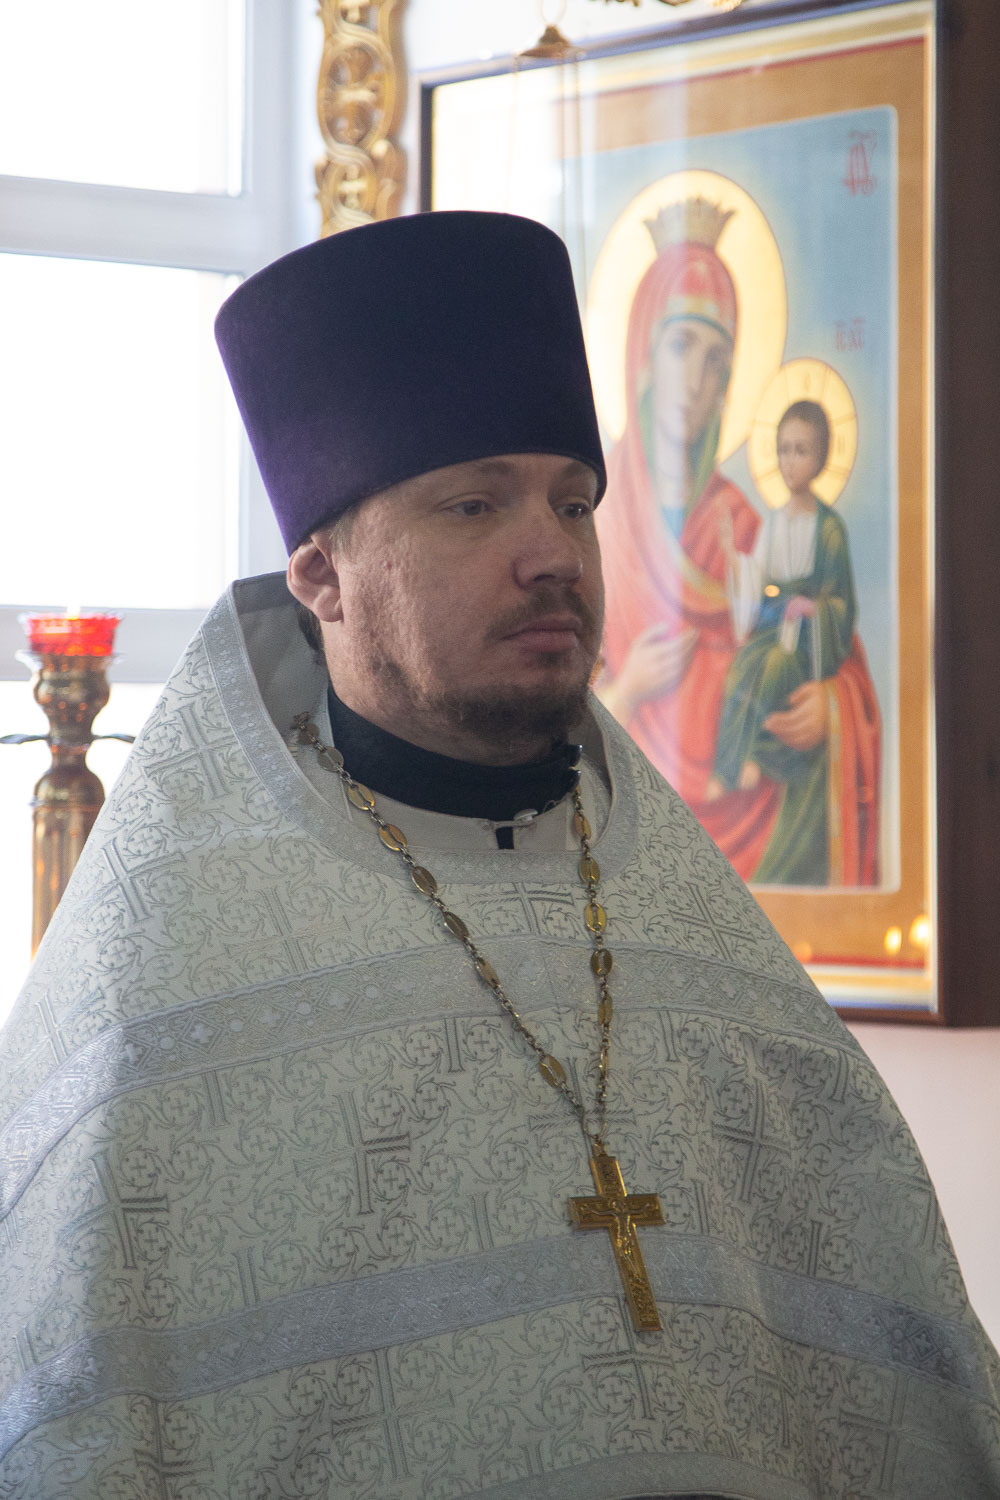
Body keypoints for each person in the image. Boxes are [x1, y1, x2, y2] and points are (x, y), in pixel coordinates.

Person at [0, 212, 997, 1499]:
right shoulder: (169, 969)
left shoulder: (689, 919)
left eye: (572, 503)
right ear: (322, 579)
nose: (554, 555)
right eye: (473, 506)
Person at [597, 200, 880, 886]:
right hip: (627, 832)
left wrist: (830, 709)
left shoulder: (744, 522)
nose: (696, 382)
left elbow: (839, 656)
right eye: (681, 347)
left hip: (759, 825)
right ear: (641, 352)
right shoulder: (591, 516)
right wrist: (625, 692)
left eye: (717, 362)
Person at [705, 402, 861, 889]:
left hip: (810, 642)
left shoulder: (829, 528)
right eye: (784, 450)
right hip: (775, 626)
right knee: (742, 668)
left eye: (800, 451)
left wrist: (814, 609)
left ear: (821, 457)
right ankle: (731, 767)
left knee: (774, 668)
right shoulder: (773, 523)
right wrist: (733, 556)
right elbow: (760, 582)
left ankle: (757, 756)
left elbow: (842, 602)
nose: (790, 461)